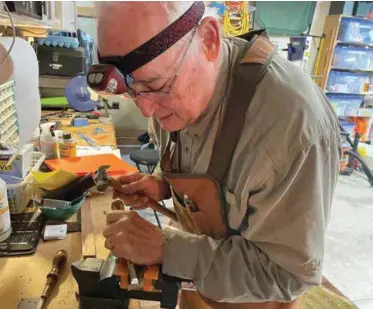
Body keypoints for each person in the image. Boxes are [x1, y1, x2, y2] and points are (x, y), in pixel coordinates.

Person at [99, 2, 341, 308]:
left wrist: (167, 248)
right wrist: (162, 185)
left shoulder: (291, 128)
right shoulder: (167, 99)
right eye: (131, 91)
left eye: (156, 85)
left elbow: (287, 275)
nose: (145, 109)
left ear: (209, 41)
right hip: (195, 287)